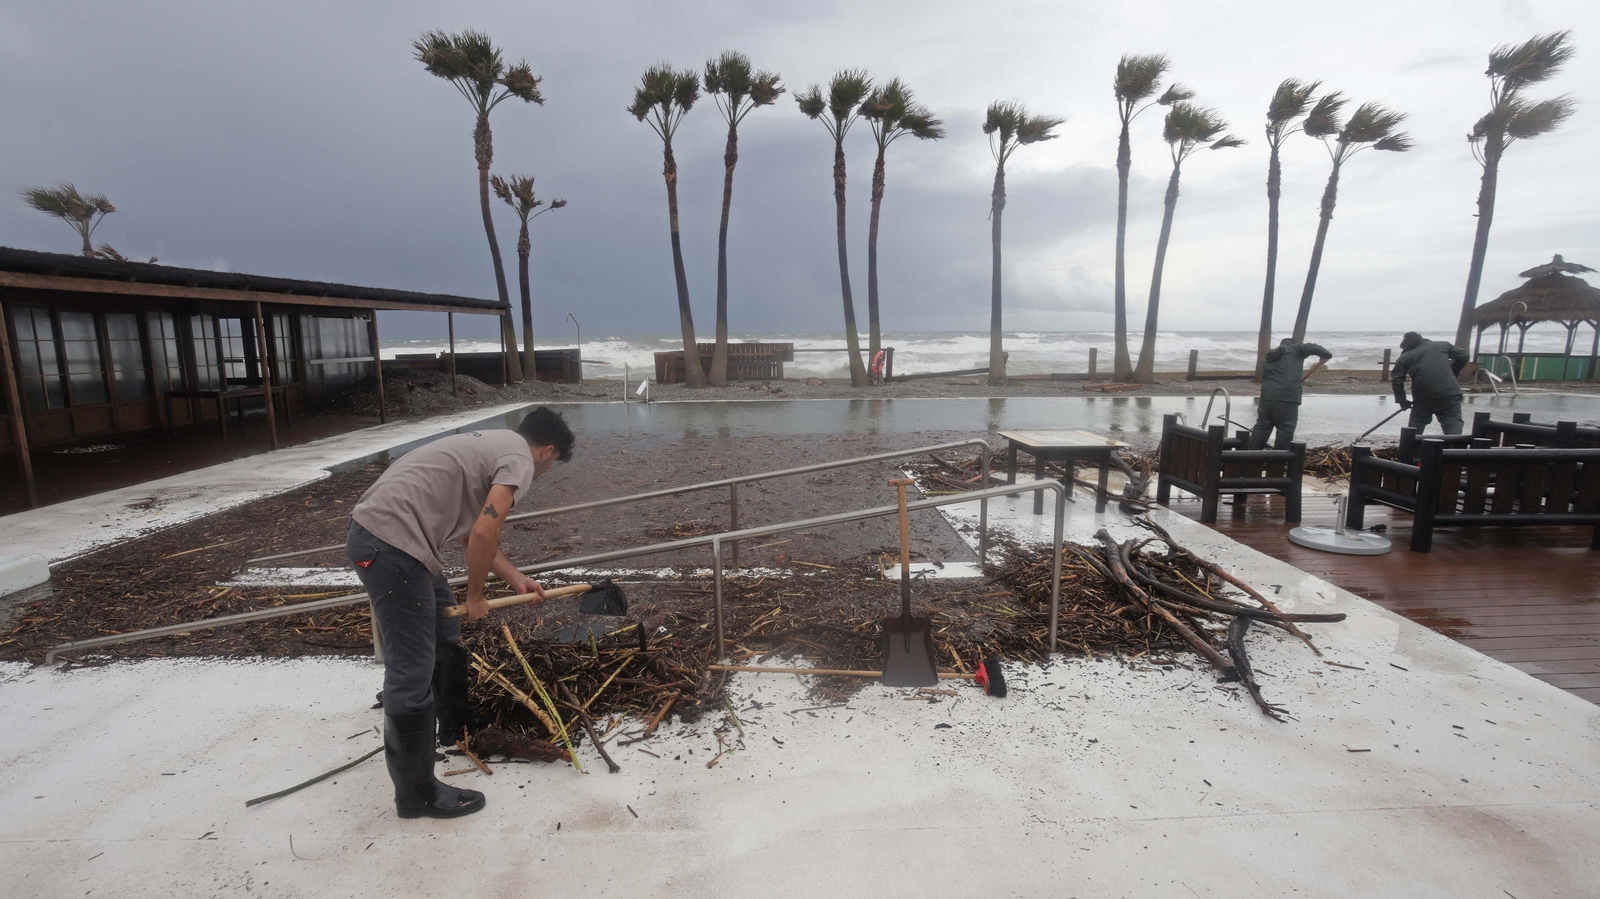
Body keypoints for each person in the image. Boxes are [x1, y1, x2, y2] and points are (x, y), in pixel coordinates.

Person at [345, 406, 574, 819]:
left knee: (441, 631)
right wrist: (475, 597)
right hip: (391, 545)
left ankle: (453, 723)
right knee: (409, 667)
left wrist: (516, 579)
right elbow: (487, 530)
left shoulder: (495, 442)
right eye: (553, 464)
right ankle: (417, 793)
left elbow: (473, 532)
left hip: (398, 542)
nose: (547, 472)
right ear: (548, 450)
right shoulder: (521, 461)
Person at [1251, 338, 1332, 449]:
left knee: (1262, 426)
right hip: (1287, 396)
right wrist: (1326, 355)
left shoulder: (1270, 356)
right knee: (1285, 427)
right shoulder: (1295, 348)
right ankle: (1279, 460)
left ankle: (1250, 457)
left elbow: (1266, 377)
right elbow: (1313, 347)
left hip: (1267, 395)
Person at [1391, 331, 1470, 435]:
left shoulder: (1405, 357)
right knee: (1452, 424)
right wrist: (1454, 371)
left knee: (1416, 425)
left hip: (1423, 395)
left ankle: (1410, 448)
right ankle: (1454, 449)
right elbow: (1464, 355)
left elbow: (1397, 380)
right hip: (1449, 391)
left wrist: (1402, 400)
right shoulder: (1442, 345)